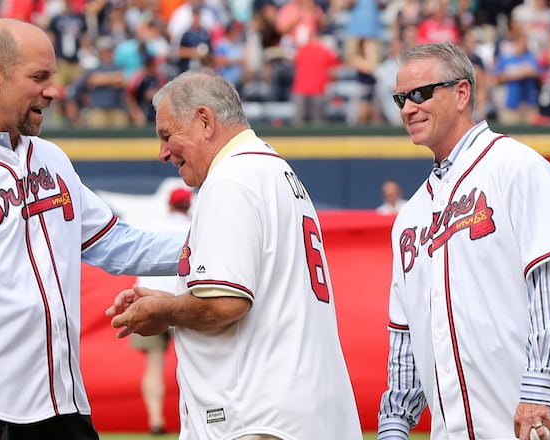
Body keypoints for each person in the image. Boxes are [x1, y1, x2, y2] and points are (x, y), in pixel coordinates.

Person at [0, 18, 183, 440]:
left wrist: (211, 244)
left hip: (60, 407)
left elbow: (119, 244)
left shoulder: (51, 159)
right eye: (39, 77)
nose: (53, 91)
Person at [105, 71, 363, 440]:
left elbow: (225, 303)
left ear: (205, 120)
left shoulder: (230, 178)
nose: (162, 153)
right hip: (302, 409)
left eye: (167, 135)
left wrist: (163, 311)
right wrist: (173, 301)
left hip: (257, 418)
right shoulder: (272, 167)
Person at [378, 42, 550, 440]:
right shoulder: (410, 217)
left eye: (420, 93)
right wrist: (395, 422)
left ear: (462, 92)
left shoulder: (517, 167)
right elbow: (405, 332)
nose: (407, 108)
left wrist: (539, 386)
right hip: (463, 427)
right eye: (401, 98)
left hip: (547, 417)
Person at [130, 186, 193, 435]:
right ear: (188, 206)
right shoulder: (196, 227)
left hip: (148, 302)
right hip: (184, 304)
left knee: (154, 367)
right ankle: (191, 421)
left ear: (169, 205)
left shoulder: (152, 223)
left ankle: (156, 421)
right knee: (193, 367)